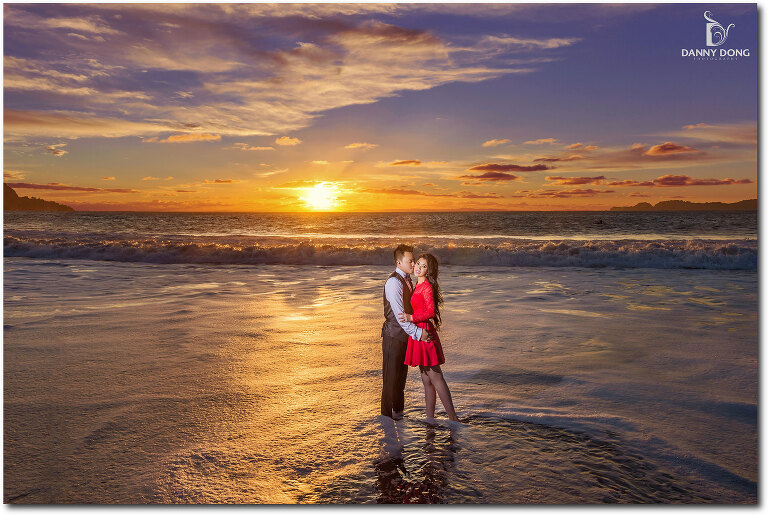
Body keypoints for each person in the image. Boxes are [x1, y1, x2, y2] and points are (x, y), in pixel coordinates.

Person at [398, 253, 459, 422]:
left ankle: (453, 418)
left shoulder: (426, 287)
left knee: (436, 376)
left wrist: (411, 318)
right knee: (426, 379)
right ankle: (429, 418)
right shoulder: (416, 286)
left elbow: (430, 312)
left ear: (429, 270)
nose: (418, 267)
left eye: (423, 266)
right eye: (418, 263)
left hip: (424, 333)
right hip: (417, 333)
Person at [381, 244, 432, 420]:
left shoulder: (408, 280)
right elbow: (401, 317)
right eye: (410, 261)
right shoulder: (394, 282)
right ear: (398, 262)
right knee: (390, 382)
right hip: (393, 336)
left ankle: (398, 416)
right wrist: (419, 334)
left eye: (414, 261)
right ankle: (386, 421)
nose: (413, 265)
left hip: (404, 338)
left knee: (400, 381)